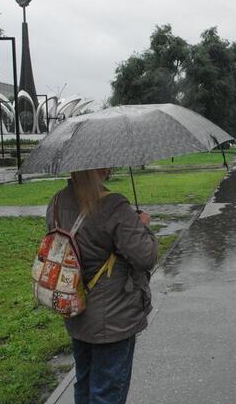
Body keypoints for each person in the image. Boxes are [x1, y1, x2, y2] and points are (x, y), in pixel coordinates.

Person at [47, 168, 158, 404]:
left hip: (75, 306)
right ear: (98, 167)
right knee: (107, 392)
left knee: (85, 383)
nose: (110, 168)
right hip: (114, 317)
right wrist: (144, 225)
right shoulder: (114, 206)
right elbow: (146, 257)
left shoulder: (56, 201)